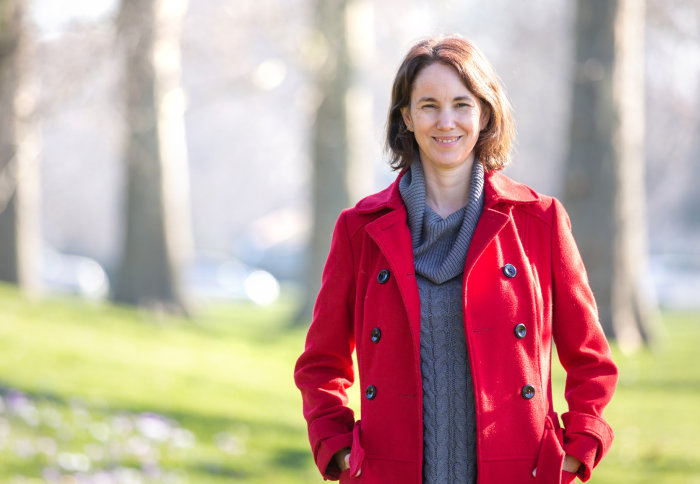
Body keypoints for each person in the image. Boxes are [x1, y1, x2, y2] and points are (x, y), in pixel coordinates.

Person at [294, 35, 617, 484]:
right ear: (406, 117)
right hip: (392, 472)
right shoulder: (359, 230)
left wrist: (579, 446)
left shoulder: (539, 221)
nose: (446, 122)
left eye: (461, 104)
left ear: (484, 112)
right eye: (428, 105)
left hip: (518, 470)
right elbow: (320, 365)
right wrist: (339, 447)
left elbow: (590, 359)